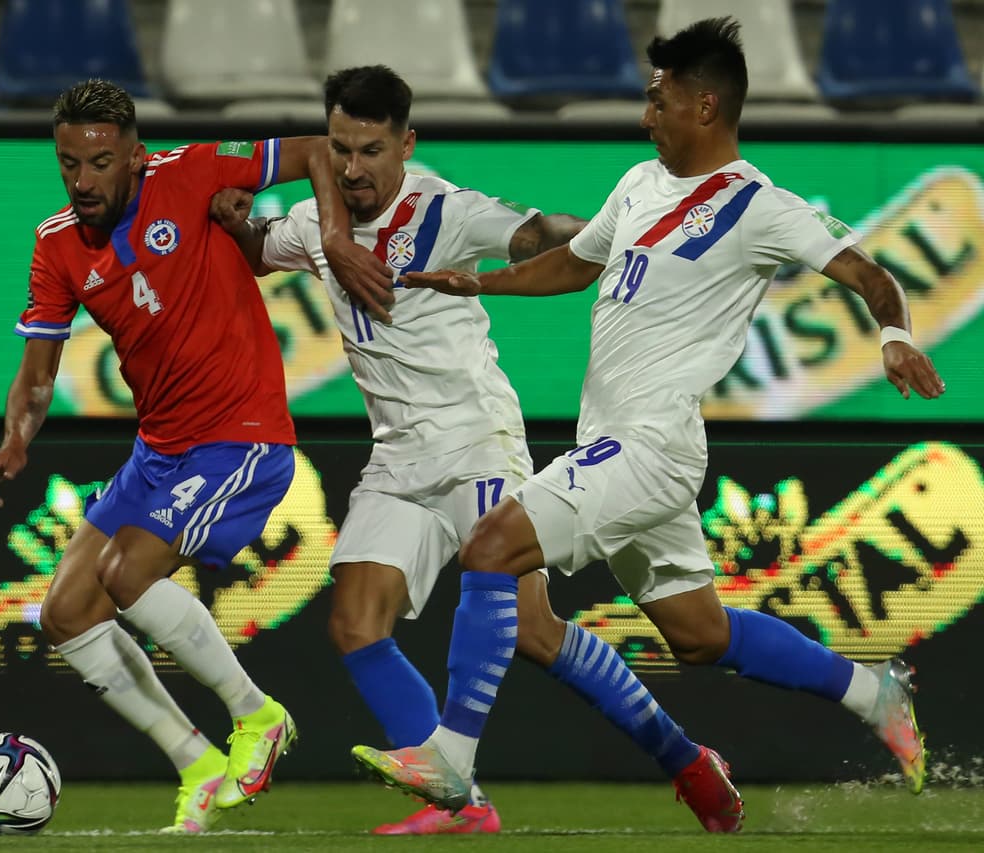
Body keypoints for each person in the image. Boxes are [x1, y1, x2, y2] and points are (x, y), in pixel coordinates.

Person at [352, 17, 944, 816]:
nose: (646, 115)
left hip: (651, 443)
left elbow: (870, 275)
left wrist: (896, 334)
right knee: (698, 635)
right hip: (616, 443)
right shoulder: (637, 182)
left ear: (704, 106)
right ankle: (875, 692)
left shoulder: (760, 205)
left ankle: (452, 758)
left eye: (657, 100)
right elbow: (574, 263)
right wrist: (484, 281)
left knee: (491, 544)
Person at [211, 64, 744, 835]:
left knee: (534, 630)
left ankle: (687, 759)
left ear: (406, 145)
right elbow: (263, 248)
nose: (354, 168)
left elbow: (535, 232)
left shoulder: (445, 208)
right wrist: (236, 219)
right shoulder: (314, 219)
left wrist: (586, 232)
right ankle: (459, 802)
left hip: (478, 442)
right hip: (397, 455)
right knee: (357, 622)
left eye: (370, 149)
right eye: (341, 149)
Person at [0, 78, 393, 834]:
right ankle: (194, 759)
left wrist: (332, 235)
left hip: (242, 433)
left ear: (134, 156)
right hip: (159, 449)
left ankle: (256, 715)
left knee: (126, 574)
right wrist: (15, 439)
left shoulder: (193, 171)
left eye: (100, 163)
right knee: (65, 612)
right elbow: (38, 374)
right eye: (68, 162)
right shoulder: (57, 244)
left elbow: (310, 152)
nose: (82, 180)